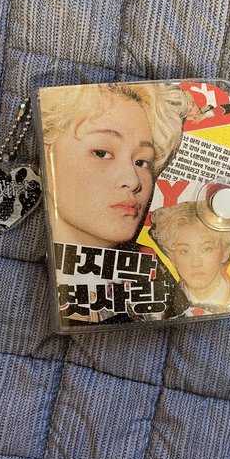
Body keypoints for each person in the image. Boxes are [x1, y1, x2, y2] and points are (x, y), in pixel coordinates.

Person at [39, 82, 191, 324]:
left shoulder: (158, 280)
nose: (133, 180)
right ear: (46, 158)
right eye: (102, 153)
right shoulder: (20, 282)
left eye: (142, 162)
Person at [149, 201, 230, 317]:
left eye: (207, 249)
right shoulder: (160, 308)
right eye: (184, 251)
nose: (196, 263)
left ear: (225, 252)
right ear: (172, 258)